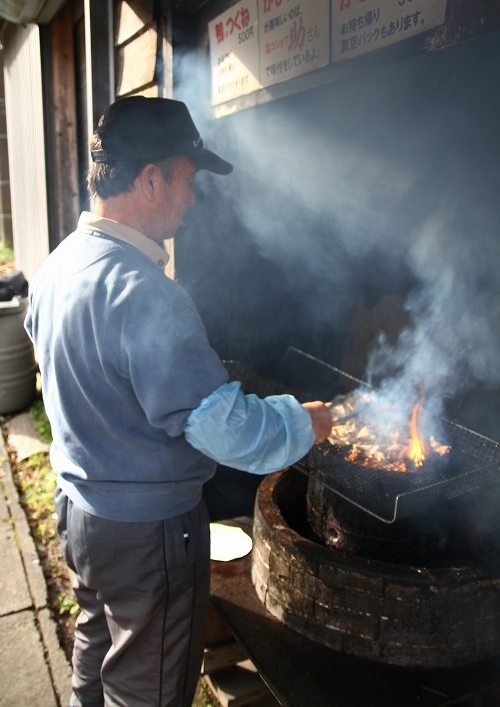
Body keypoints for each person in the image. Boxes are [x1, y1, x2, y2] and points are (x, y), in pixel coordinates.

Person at [24, 95, 332, 707]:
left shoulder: (60, 265)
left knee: (98, 651)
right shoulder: (145, 293)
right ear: (151, 178)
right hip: (145, 534)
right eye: (188, 180)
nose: (192, 198)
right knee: (150, 688)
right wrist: (302, 423)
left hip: (81, 510)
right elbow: (220, 428)